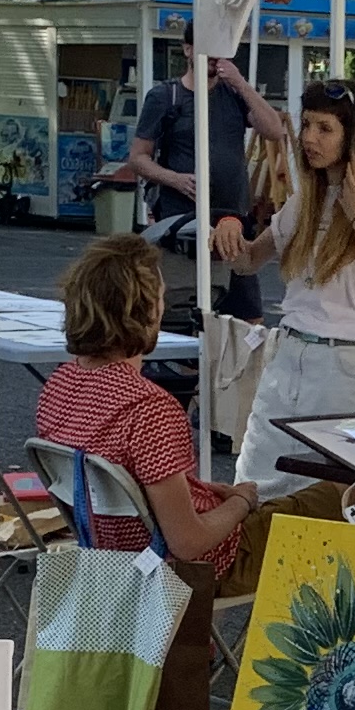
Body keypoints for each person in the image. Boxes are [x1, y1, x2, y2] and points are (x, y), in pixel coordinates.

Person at [225, 83, 355, 487]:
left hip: (345, 364)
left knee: (336, 493)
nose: (309, 138)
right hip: (288, 356)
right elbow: (248, 262)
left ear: (353, 136)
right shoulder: (306, 198)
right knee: (256, 483)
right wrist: (227, 230)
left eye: (325, 128)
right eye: (307, 125)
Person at [34, 233, 260, 564]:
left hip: (106, 557)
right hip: (176, 568)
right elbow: (188, 543)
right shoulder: (149, 409)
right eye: (160, 297)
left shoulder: (59, 386)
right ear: (147, 310)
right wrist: (242, 501)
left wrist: (204, 492)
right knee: (324, 499)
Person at [115, 44, 289, 318]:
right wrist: (175, 179)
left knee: (247, 313)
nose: (214, 56)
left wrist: (241, 83)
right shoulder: (166, 96)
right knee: (185, 309)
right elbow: (138, 158)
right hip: (183, 220)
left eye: (218, 48)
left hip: (231, 218)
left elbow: (274, 130)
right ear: (188, 50)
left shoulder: (233, 93)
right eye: (206, 47)